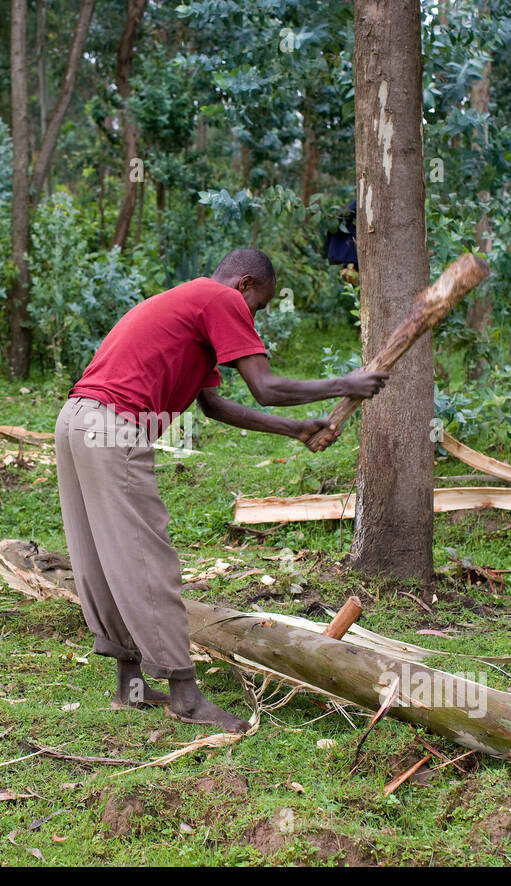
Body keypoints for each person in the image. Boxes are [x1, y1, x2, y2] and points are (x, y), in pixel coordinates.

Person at [55, 249, 389, 732]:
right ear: (246, 285)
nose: (253, 318)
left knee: (105, 558)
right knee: (147, 559)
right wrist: (347, 383)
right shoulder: (221, 299)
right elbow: (265, 386)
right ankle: (186, 698)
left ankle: (129, 687)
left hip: (76, 421)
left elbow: (213, 406)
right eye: (259, 307)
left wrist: (294, 428)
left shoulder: (189, 303)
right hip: (114, 425)